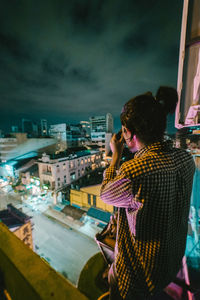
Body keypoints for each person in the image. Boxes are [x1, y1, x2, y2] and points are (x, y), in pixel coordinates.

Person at [100, 87, 195, 300]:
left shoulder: (134, 172)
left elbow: (105, 194)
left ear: (128, 133)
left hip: (137, 278)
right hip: (169, 264)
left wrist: (115, 156)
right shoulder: (186, 160)